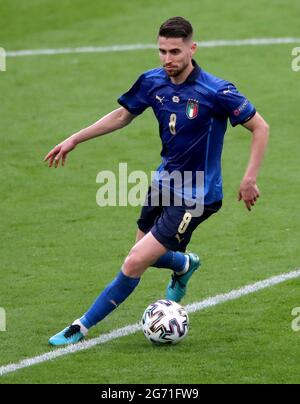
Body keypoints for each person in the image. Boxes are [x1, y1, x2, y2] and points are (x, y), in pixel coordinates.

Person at [45, 17, 269, 346]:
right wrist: (75, 138)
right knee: (141, 253)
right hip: (164, 181)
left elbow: (260, 127)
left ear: (192, 49)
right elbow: (123, 115)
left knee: (135, 260)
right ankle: (184, 263)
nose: (167, 59)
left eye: (175, 51)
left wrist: (249, 178)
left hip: (198, 193)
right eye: (162, 51)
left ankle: (80, 327)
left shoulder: (216, 91)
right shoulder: (153, 82)